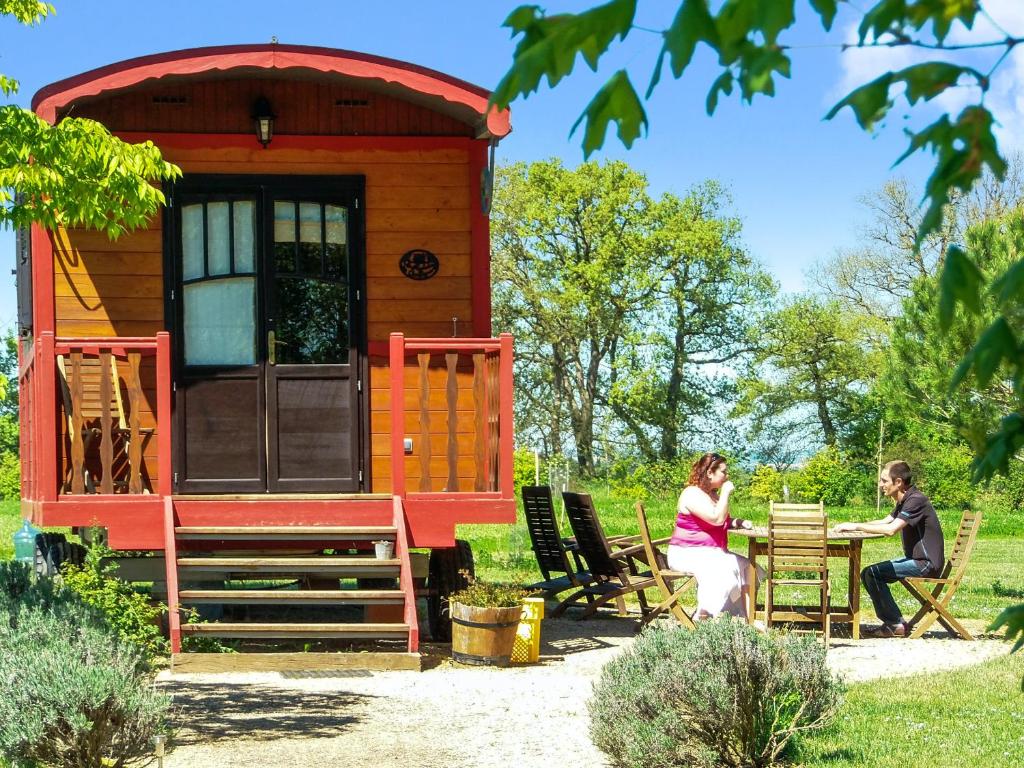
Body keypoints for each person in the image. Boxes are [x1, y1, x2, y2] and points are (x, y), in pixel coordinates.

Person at [836, 460, 945, 638]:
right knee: (868, 573)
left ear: (899, 482)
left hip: (925, 564)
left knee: (872, 573)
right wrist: (852, 525)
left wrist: (856, 526)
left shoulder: (916, 500)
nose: (880, 485)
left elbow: (890, 530)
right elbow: (885, 521)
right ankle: (894, 622)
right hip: (918, 561)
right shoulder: (906, 499)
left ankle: (895, 624)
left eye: (884, 481)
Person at [666, 452, 762, 620]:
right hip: (687, 553)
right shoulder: (691, 494)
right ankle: (705, 615)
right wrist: (725, 493)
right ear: (710, 473)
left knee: (748, 567)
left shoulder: (712, 495)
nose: (727, 476)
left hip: (709, 552)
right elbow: (716, 519)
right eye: (723, 472)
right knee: (726, 567)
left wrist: (738, 522)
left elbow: (720, 518)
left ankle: (747, 618)